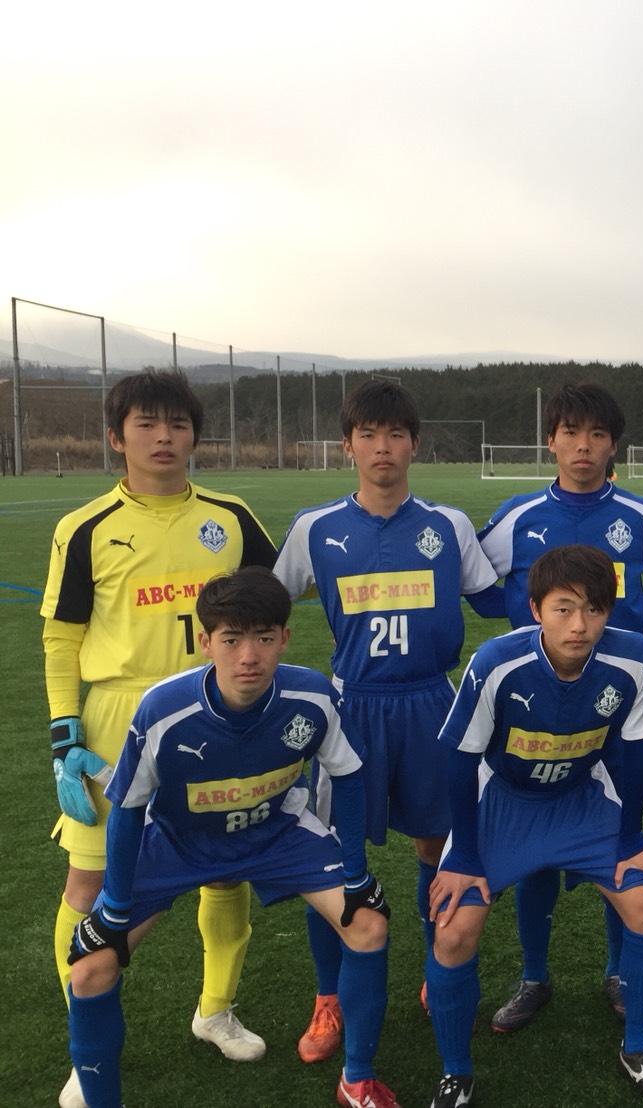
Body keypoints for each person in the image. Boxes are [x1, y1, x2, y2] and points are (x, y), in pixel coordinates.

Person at [64, 567, 397, 1108]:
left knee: (368, 923)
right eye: (231, 639)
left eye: (264, 639)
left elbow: (349, 775)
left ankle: (357, 1079)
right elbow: (127, 808)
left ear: (285, 638)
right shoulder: (163, 708)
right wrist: (116, 907)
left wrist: (356, 873)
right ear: (205, 642)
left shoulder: (312, 695)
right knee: (92, 965)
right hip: (179, 841)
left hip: (277, 832)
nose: (249, 656)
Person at [42, 369, 278, 1108]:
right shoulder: (84, 527)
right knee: (89, 884)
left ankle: (216, 1010)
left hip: (217, 713)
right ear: (117, 437)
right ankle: (87, 1044)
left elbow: (272, 604)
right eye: (146, 424)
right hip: (119, 717)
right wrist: (64, 735)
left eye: (177, 424)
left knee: (226, 873)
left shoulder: (231, 518)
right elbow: (62, 637)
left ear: (195, 435)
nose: (164, 437)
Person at [274, 378, 503, 1062]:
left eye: (395, 434)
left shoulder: (448, 526)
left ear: (415, 444)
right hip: (352, 710)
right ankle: (329, 998)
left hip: (432, 703)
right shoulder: (315, 529)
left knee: (438, 846)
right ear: (347, 446)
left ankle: (440, 970)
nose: (383, 447)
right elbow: (266, 604)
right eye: (368, 435)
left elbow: (495, 602)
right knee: (332, 858)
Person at [424, 545, 643, 1108]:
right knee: (453, 930)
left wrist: (631, 838)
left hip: (581, 797)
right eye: (564, 608)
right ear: (536, 608)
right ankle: (455, 1072)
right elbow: (460, 757)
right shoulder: (496, 661)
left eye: (593, 609)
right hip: (504, 801)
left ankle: (638, 1047)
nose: (579, 625)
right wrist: (463, 854)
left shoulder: (634, 657)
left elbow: (637, 751)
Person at [477, 381, 643, 1030]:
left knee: (617, 836)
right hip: (535, 707)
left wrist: (634, 618)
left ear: (613, 445)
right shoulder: (519, 516)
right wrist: (522, 626)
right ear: (551, 440)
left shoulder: (637, 515)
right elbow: (478, 586)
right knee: (536, 847)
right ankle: (534, 977)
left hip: (610, 706)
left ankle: (620, 973)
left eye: (598, 434)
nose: (583, 446)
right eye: (571, 432)